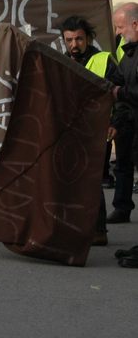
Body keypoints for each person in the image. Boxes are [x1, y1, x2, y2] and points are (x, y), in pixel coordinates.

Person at [60, 16, 118, 245]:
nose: (74, 44)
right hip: (70, 130)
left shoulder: (104, 60)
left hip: (98, 129)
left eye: (79, 39)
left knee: (91, 179)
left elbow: (119, 96)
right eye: (69, 40)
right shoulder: (62, 61)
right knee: (70, 179)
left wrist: (115, 123)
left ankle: (98, 230)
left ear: (89, 38)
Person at [109, 2, 138, 224]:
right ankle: (122, 207)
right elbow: (118, 79)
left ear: (135, 24)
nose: (117, 33)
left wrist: (119, 92)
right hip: (128, 120)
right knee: (123, 165)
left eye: (120, 27)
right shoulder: (128, 54)